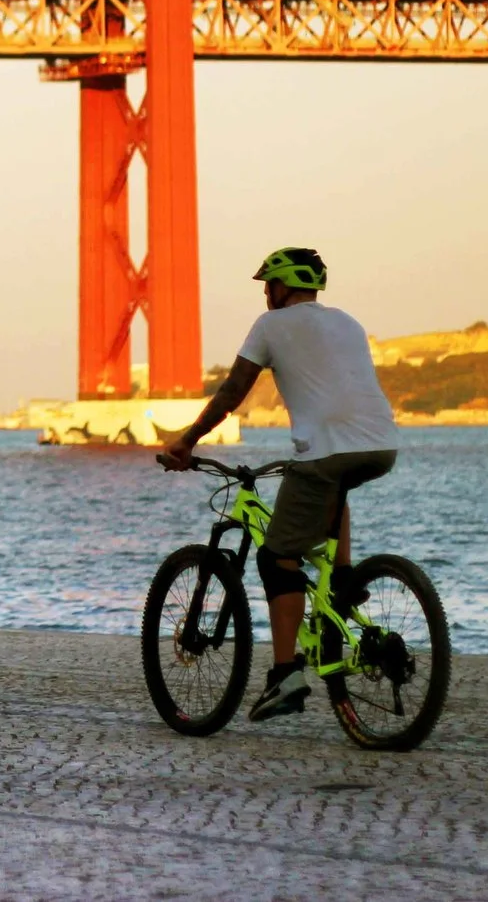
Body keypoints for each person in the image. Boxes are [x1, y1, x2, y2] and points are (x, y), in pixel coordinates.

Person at [159, 246, 401, 722]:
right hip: (381, 446)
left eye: (267, 285)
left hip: (326, 451)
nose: (265, 294)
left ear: (283, 285)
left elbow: (233, 391)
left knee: (275, 558)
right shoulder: (348, 322)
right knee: (332, 486)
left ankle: (286, 675)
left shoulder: (270, 325)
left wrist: (187, 441)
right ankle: (344, 582)